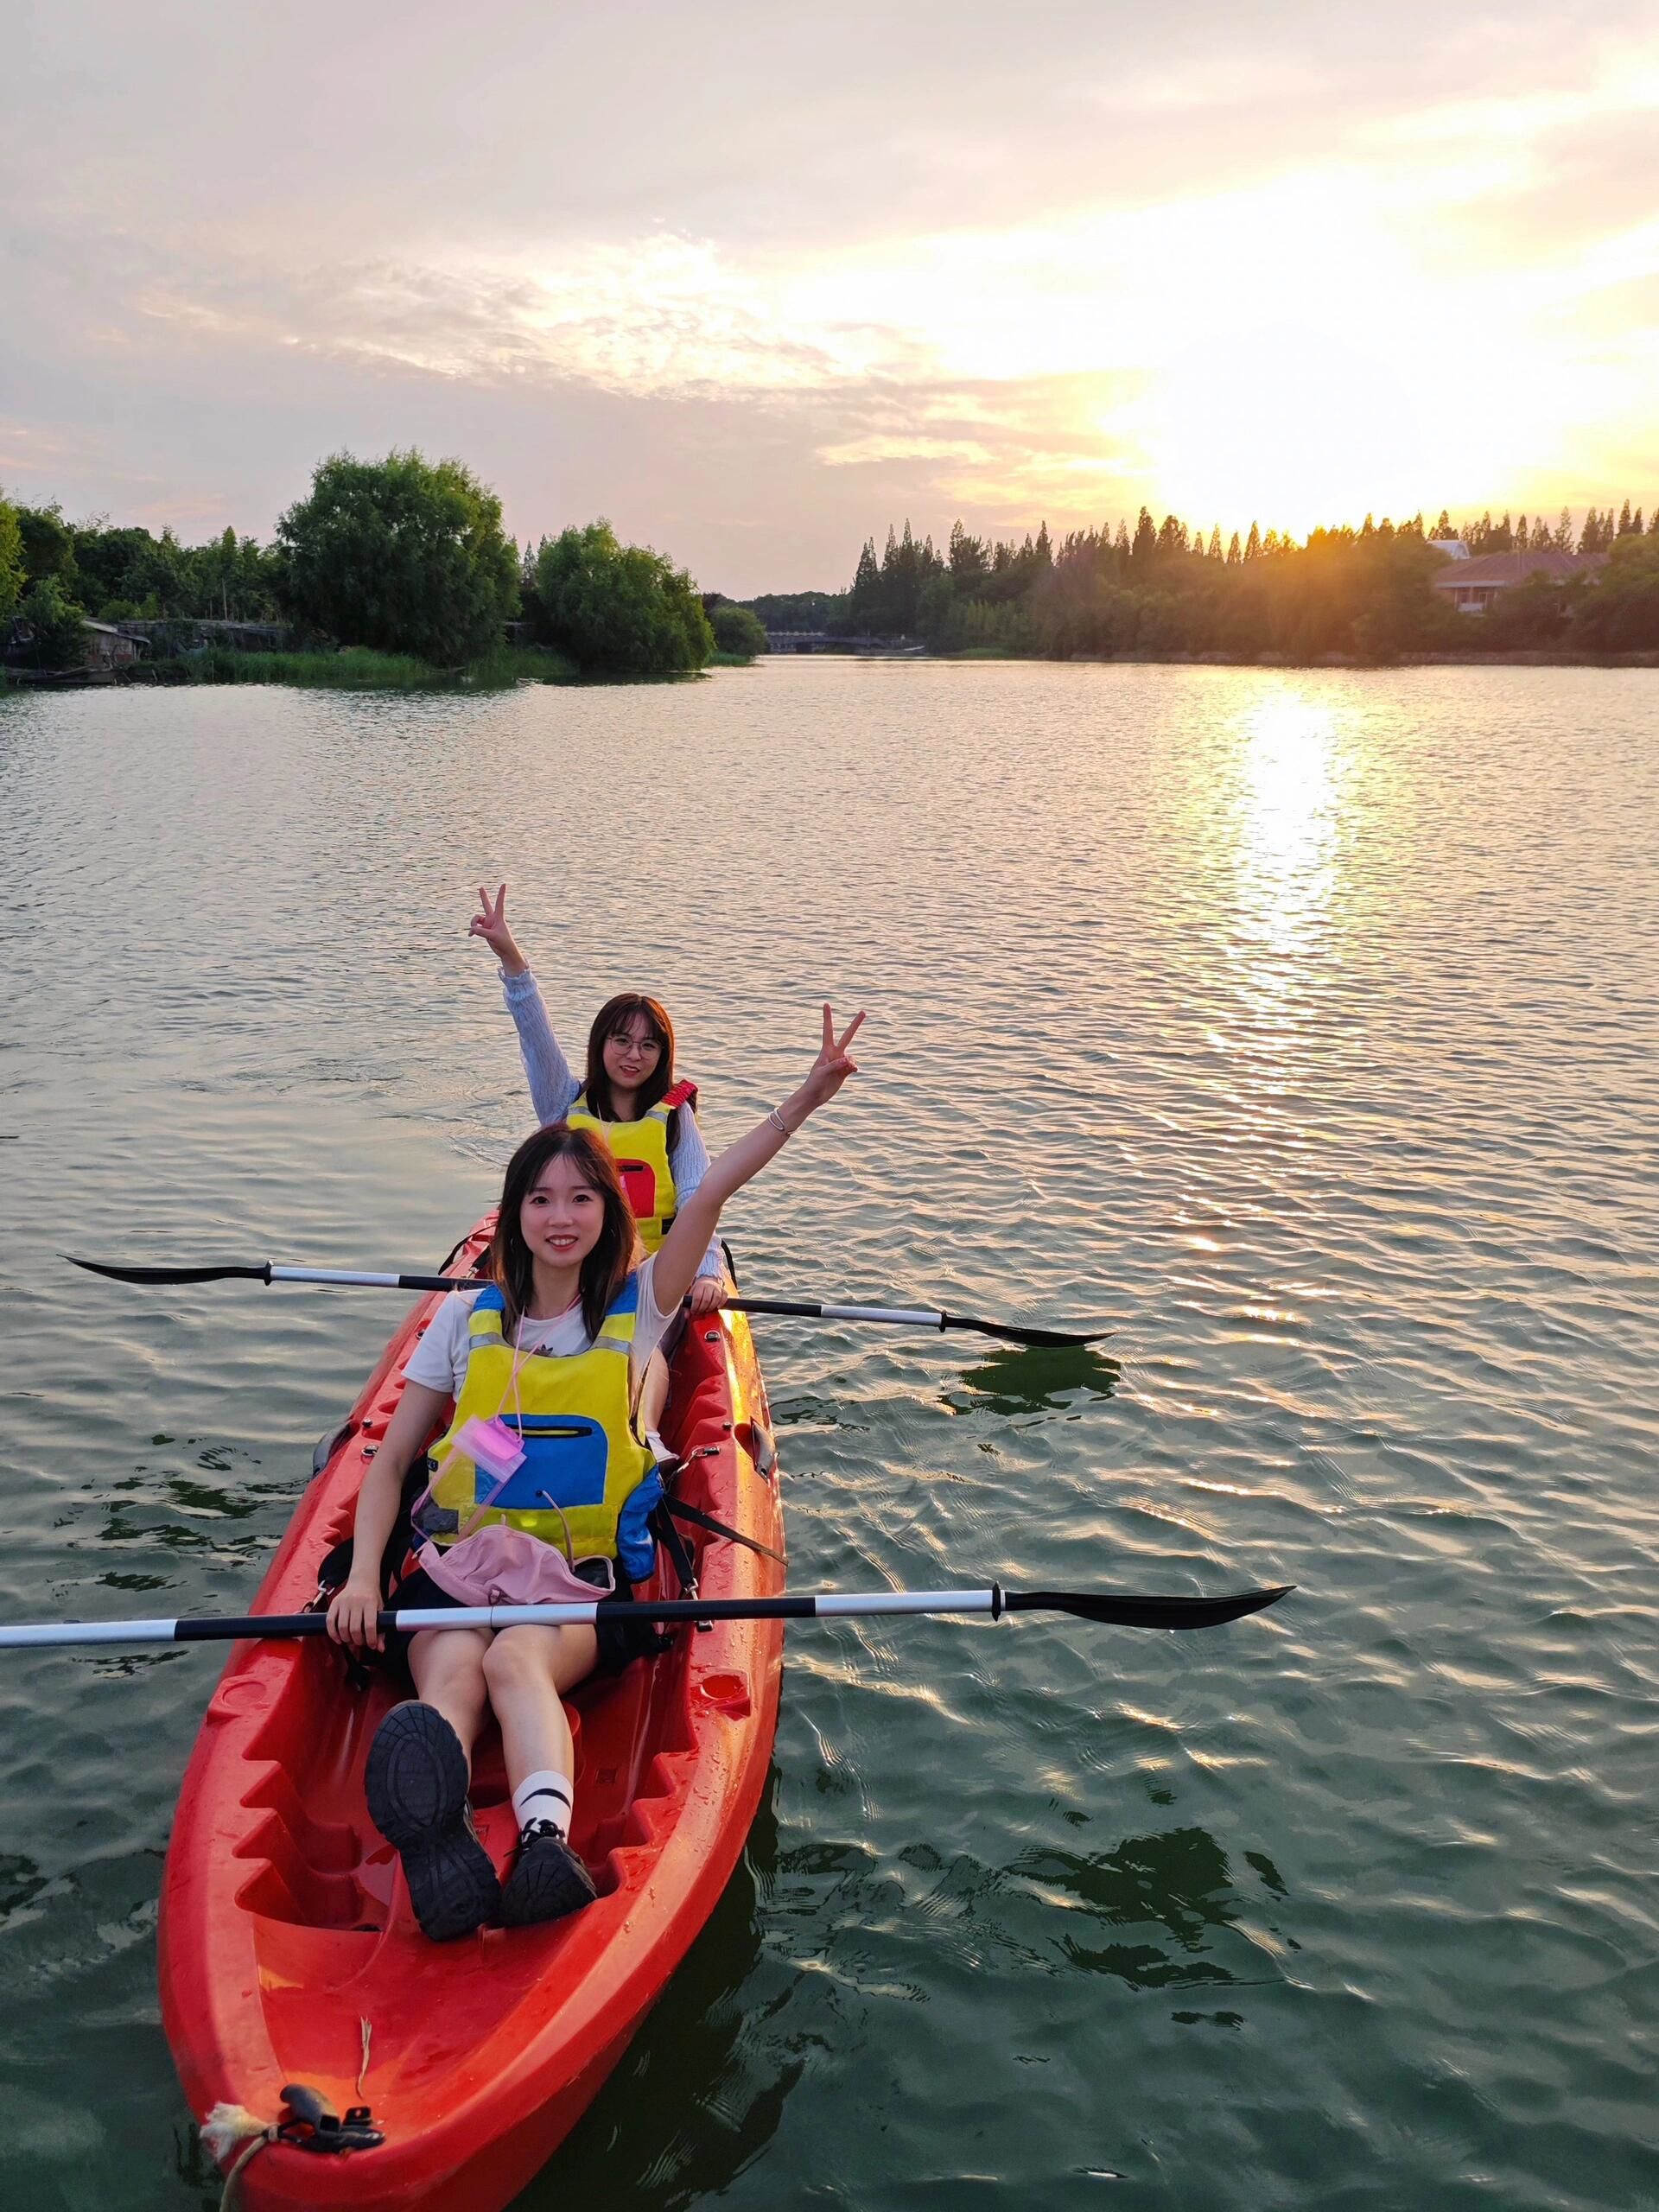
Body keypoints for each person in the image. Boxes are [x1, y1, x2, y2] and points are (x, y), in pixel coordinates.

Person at [327, 1003, 867, 1942]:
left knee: (514, 1655)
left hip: (571, 1577)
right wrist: (368, 1575)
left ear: (606, 1215)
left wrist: (803, 1102)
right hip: (455, 1563)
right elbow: (392, 1462)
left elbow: (705, 1199)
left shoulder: (637, 1308)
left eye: (581, 1199)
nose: (561, 1217)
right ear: (514, 1216)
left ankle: (544, 1843)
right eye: (541, 1199)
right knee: (450, 1671)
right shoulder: (466, 1321)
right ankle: (436, 1827)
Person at [469, 884, 728, 1315]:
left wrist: (707, 1271)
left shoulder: (675, 1118)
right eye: (621, 1040)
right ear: (600, 1043)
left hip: (652, 1278)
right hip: (566, 1269)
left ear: (663, 1055)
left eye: (649, 1046)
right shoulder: (563, 1104)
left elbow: (698, 1200)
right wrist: (512, 960)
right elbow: (536, 1037)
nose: (633, 1055)